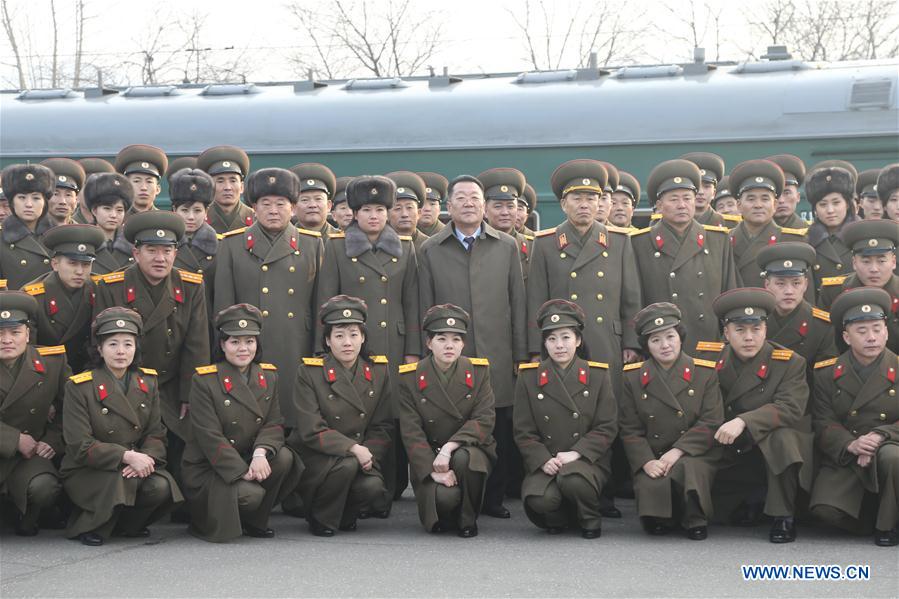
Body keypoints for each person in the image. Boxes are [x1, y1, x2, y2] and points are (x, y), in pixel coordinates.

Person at [417, 174, 526, 520]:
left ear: (484, 205)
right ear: (448, 207)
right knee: (454, 421)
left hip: (498, 350)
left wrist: (521, 355)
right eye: (460, 197)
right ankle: (458, 492)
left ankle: (494, 498)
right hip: (451, 354)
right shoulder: (431, 248)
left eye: (474, 197)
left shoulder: (506, 246)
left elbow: (518, 304)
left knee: (498, 425)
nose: (468, 203)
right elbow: (425, 304)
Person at [315, 175, 420, 505]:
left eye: (379, 209)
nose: (373, 216)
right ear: (354, 214)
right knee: (356, 412)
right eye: (365, 210)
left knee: (390, 413)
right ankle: (358, 488)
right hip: (351, 346)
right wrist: (325, 351)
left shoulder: (405, 247)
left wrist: (414, 352)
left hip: (395, 344)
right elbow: (326, 301)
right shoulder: (335, 247)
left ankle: (389, 487)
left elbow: (413, 302)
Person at [93, 211, 210, 495]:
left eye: (167, 251)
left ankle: (186, 498)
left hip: (171, 382)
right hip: (129, 380)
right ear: (135, 252)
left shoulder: (191, 285)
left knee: (188, 438)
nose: (161, 258)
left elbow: (197, 343)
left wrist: (189, 393)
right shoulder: (113, 285)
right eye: (152, 250)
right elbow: (99, 344)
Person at [62, 307, 183, 545]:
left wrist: (145, 458)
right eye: (112, 344)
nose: (121, 352)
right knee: (121, 480)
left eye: (128, 344)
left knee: (160, 486)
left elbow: (156, 433)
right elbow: (79, 444)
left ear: (136, 347)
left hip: (134, 462)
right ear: (99, 349)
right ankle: (92, 525)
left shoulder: (147, 381)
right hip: (91, 467)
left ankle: (129, 525)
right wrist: (125, 457)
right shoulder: (80, 387)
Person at [183, 303, 302, 542]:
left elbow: (273, 423)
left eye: (249, 341)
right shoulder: (204, 380)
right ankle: (205, 521)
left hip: (249, 456)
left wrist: (260, 454)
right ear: (222, 345)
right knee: (250, 494)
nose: (243, 348)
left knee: (284, 457)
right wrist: (240, 471)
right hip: (213, 467)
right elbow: (209, 436)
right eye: (235, 342)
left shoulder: (268, 376)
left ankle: (256, 521)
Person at [214, 167, 324, 426]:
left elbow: (321, 303)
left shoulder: (312, 243)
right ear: (253, 207)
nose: (273, 210)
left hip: (297, 345)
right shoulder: (232, 244)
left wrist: (320, 350)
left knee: (296, 418)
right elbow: (223, 305)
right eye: (266, 204)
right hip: (248, 348)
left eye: (281, 204)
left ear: (293, 207)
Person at [708, 288, 812, 544]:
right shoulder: (709, 360)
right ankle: (747, 501)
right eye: (740, 330)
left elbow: (790, 407)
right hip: (730, 446)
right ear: (726, 332)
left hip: (769, 444)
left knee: (782, 438)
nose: (749, 338)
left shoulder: (789, 362)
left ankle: (783, 515)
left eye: (756, 330)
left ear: (766, 330)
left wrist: (744, 420)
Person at [288, 296, 393, 536]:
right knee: (345, 465)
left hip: (359, 455)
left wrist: (368, 455)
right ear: (327, 340)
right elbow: (311, 429)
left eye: (354, 334)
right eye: (339, 335)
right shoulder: (310, 372)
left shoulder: (378, 371)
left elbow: (382, 425)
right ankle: (320, 517)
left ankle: (345, 513)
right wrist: (353, 449)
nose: (347, 342)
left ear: (363, 337)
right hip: (317, 455)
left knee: (373, 487)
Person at [619, 303, 723, 540]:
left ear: (680, 337)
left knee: (689, 469)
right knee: (653, 489)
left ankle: (695, 517)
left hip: (694, 452)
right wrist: (646, 461)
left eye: (670, 336)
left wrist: (677, 451)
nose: (665, 345)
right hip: (654, 453)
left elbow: (711, 421)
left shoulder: (704, 372)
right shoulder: (633, 377)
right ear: (647, 345)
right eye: (655, 340)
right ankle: (661, 516)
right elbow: (630, 429)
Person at [514, 300, 617, 538]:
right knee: (539, 500)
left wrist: (576, 453)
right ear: (545, 344)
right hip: (548, 460)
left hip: (587, 460)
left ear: (578, 340)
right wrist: (542, 459)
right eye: (551, 339)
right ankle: (560, 516)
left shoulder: (598, 375)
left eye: (565, 337)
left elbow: (607, 426)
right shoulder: (529, 378)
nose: (559, 345)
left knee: (573, 480)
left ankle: (589, 517)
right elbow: (523, 431)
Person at [809, 287, 899, 547]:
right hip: (849, 455)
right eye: (862, 331)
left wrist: (881, 435)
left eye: (877, 328)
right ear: (847, 337)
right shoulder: (827, 374)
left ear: (886, 331)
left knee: (893, 458)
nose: (871, 337)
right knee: (825, 512)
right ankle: (870, 516)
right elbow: (822, 420)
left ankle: (887, 526)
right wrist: (851, 443)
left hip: (889, 446)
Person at [398, 304, 496, 537]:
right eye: (441, 339)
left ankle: (467, 519)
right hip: (430, 457)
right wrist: (431, 469)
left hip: (469, 448)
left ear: (463, 344)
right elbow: (411, 432)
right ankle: (445, 509)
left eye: (456, 339)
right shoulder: (411, 377)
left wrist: (450, 448)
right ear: (429, 343)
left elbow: (484, 419)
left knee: (466, 458)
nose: (449, 345)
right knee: (444, 499)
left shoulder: (479, 371)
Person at [631, 159, 737, 343]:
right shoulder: (639, 243)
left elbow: (730, 292)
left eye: (687, 198)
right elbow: (634, 300)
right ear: (659, 204)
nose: (682, 205)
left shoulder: (717, 239)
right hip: (662, 341)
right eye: (674, 199)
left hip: (708, 340)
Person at [0, 292, 69, 536]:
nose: (7, 340)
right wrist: (14, 439)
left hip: (29, 456)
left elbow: (70, 410)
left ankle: (28, 514)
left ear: (28, 335)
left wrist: (52, 440)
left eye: (15, 332)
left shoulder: (52, 362)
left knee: (45, 488)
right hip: (9, 446)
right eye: (0, 333)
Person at [23, 224, 107, 373]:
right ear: (55, 264)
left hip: (90, 371)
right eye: (72, 263)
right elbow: (28, 351)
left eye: (86, 264)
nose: (80, 271)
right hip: (48, 373)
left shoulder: (100, 288)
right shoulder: (33, 296)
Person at [754, 242, 837, 377]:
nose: (789, 291)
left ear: (805, 284)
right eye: (780, 283)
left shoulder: (821, 326)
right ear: (767, 285)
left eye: (796, 283)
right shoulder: (755, 321)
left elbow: (825, 379)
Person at [817, 220, 899, 354]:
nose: (874, 269)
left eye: (881, 261)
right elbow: (827, 345)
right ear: (854, 263)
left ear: (893, 262)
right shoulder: (833, 291)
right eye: (866, 261)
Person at [727, 159, 808, 288]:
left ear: (775, 204)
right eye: (751, 199)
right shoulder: (724, 241)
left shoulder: (793, 240)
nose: (758, 205)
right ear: (739, 205)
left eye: (765, 199)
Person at [805, 163, 859, 297]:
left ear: (847, 204)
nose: (830, 210)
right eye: (823, 204)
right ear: (815, 209)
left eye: (836, 203)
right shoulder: (807, 240)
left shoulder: (863, 235)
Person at [0, 163, 54, 290]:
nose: (29, 204)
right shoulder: (2, 238)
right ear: (12, 202)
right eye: (22, 197)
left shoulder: (58, 236)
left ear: (44, 203)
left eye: (36, 198)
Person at [170, 168, 219, 307]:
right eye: (184, 210)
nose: (191, 217)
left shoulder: (221, 246)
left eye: (197, 210)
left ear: (206, 212)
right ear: (174, 210)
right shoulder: (163, 246)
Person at [479, 167, 533, 279]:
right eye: (498, 206)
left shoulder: (532, 246)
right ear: (485, 210)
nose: (505, 212)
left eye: (510, 206)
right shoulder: (473, 244)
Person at [83, 172, 134, 275]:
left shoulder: (132, 245)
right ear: (94, 211)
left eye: (119, 210)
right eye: (107, 209)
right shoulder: (83, 243)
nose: (114, 215)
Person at [196, 145, 255, 234]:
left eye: (233, 180)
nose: (227, 187)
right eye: (220, 181)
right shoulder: (198, 220)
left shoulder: (256, 219)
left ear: (242, 187)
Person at [289, 163, 341, 241]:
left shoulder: (342, 240)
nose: (312, 205)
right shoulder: (286, 240)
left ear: (329, 205)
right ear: (294, 208)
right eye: (305, 200)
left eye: (318, 199)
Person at [115, 144, 168, 216]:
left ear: (158, 189)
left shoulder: (165, 221)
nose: (143, 188)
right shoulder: (117, 219)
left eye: (149, 181)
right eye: (137, 181)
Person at [385, 171, 429, 252]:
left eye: (409, 207)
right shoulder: (378, 246)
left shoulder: (430, 247)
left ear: (419, 213)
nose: (404, 214)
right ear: (387, 215)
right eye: (397, 208)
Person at [680, 152, 727, 227]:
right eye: (696, 187)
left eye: (707, 187)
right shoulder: (673, 222)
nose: (701, 192)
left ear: (714, 193)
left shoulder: (727, 223)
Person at [40, 158, 86, 228]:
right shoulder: (33, 233)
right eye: (55, 194)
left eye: (68, 195)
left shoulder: (83, 234)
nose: (62, 201)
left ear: (76, 201)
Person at [767, 154, 809, 230]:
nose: (781, 200)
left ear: (798, 197)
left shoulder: (810, 233)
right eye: (776, 194)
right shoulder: (755, 233)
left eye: (787, 193)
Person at [72, 158, 115, 225]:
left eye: (100, 187)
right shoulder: (69, 225)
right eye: (88, 186)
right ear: (77, 194)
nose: (94, 192)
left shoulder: (119, 225)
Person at [416, 172, 448, 237]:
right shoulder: (403, 233)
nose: (427, 209)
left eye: (432, 204)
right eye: (422, 204)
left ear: (439, 209)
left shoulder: (449, 235)